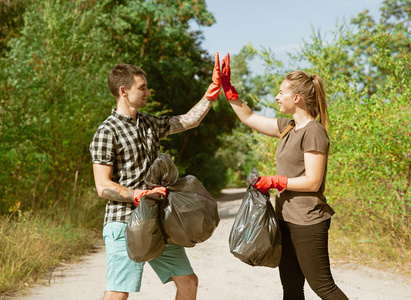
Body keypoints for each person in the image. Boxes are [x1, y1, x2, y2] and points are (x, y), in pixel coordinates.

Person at [89, 53, 221, 300]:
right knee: (118, 293)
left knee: (188, 283)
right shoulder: (106, 132)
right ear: (124, 90)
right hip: (124, 222)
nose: (148, 92)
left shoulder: (149, 123)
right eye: (142, 87)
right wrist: (140, 195)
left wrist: (212, 91)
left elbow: (188, 121)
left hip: (158, 222)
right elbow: (103, 186)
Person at [221, 53, 348, 300]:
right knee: (291, 288)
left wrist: (276, 180)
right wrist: (229, 92)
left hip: (308, 221)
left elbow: (313, 182)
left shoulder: (314, 132)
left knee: (323, 287)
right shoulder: (288, 127)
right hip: (286, 220)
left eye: (281, 92)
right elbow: (249, 117)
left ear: (297, 98)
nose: (277, 97)